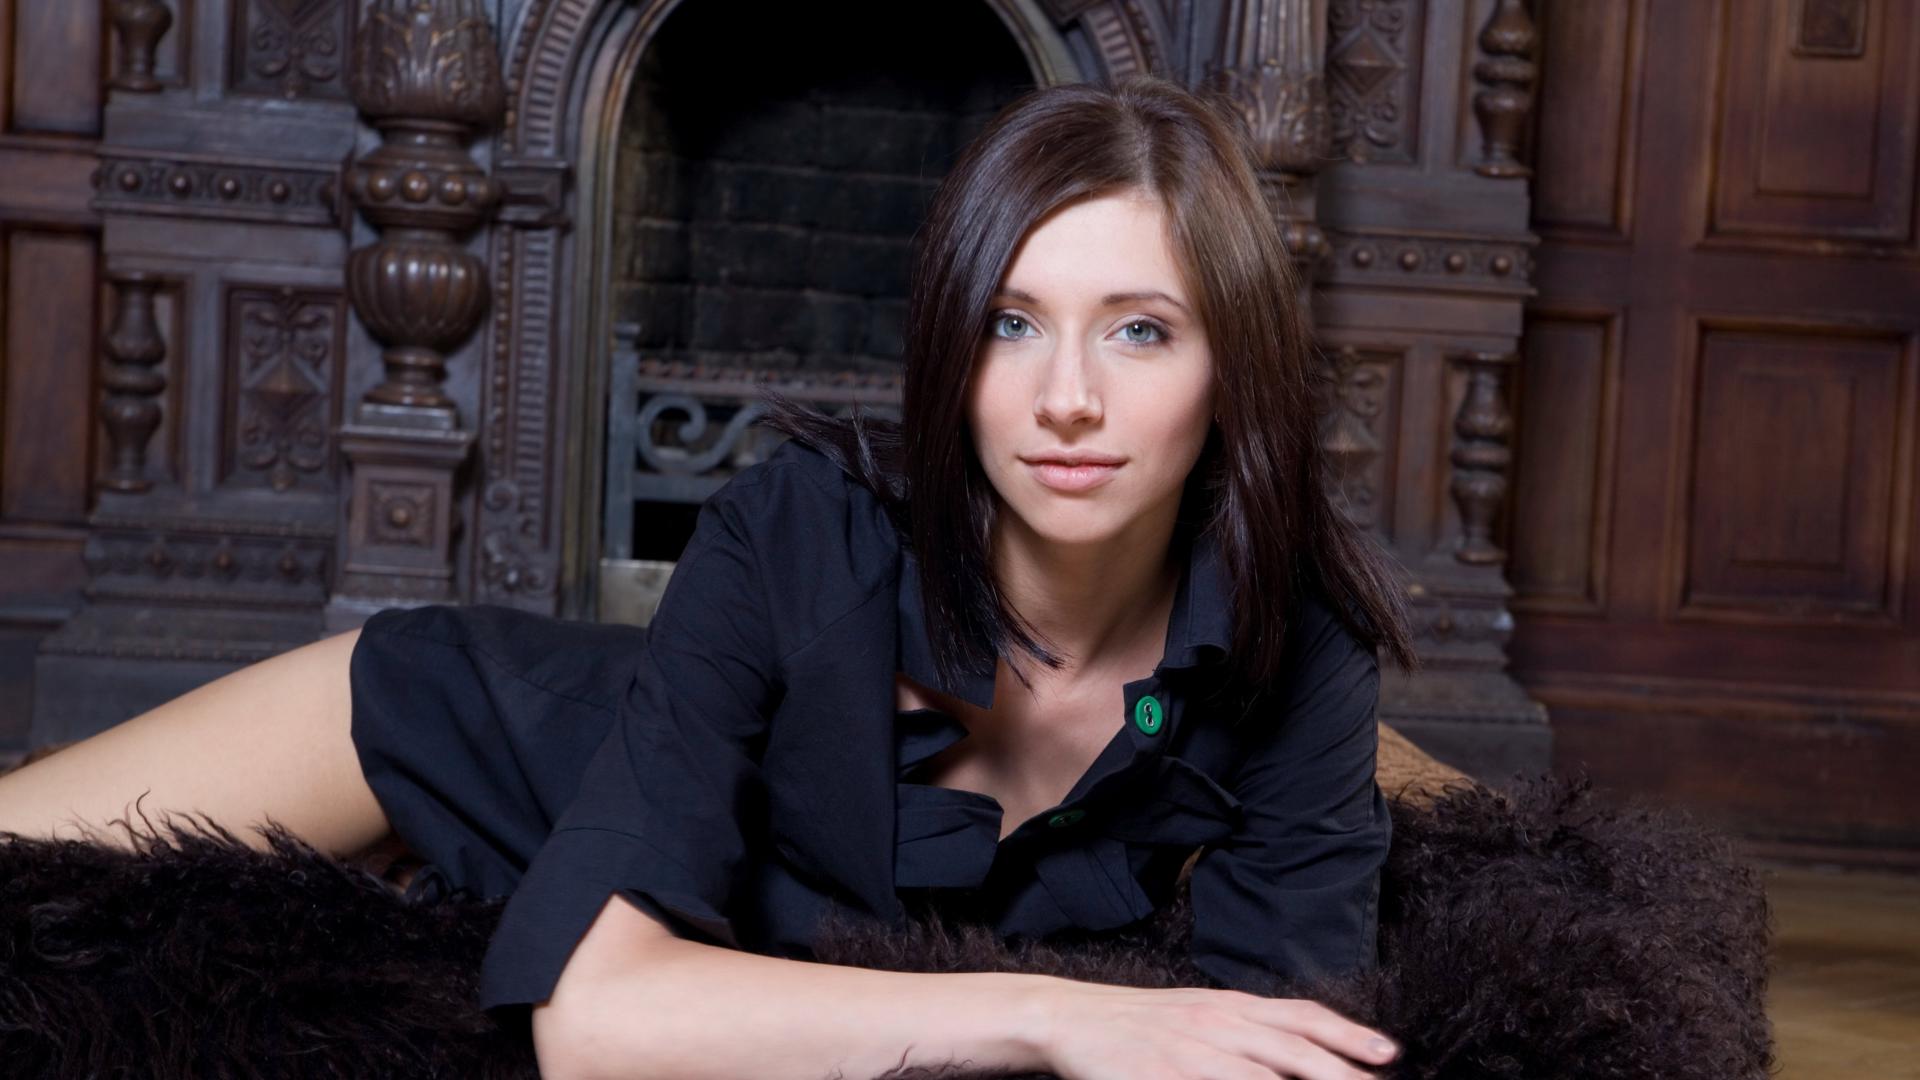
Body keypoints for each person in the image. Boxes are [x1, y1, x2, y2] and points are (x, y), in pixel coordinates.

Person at [0, 73, 1420, 1080]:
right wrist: (1053, 1014)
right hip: (453, 732)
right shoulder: (799, 529)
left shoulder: (1294, 637)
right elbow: (595, 1022)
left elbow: (1286, 1035)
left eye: (1140, 330)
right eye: (1010, 322)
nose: (1065, 398)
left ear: (1232, 366)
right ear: (950, 351)